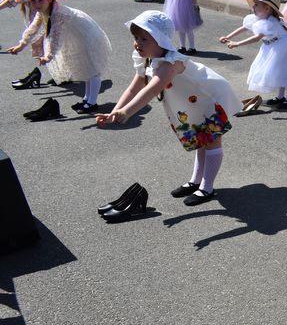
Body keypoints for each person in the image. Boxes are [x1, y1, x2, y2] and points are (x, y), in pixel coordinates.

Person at [96, 11, 241, 206]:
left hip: (208, 101)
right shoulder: (146, 59)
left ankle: (207, 187)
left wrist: (127, 112)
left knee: (212, 141)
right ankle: (195, 181)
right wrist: (116, 111)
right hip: (189, 105)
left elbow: (151, 89)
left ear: (160, 40)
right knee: (201, 140)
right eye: (136, 38)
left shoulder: (171, 63)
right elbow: (135, 87)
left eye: (144, 39)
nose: (137, 43)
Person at [6, 0, 111, 114]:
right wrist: (20, 45)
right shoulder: (43, 11)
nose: (36, 4)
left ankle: (92, 102)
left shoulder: (58, 13)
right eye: (33, 1)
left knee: (92, 69)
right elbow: (33, 29)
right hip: (76, 37)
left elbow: (55, 37)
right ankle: (87, 99)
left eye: (40, 0)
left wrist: (48, 56)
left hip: (87, 36)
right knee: (86, 69)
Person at [219, 0, 287, 109]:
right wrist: (228, 36)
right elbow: (244, 27)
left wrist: (237, 43)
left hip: (286, 45)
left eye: (256, 5)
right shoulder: (259, 17)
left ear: (267, 9)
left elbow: (256, 38)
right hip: (273, 45)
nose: (253, 7)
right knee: (280, 71)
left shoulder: (271, 23)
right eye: (253, 5)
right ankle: (280, 97)